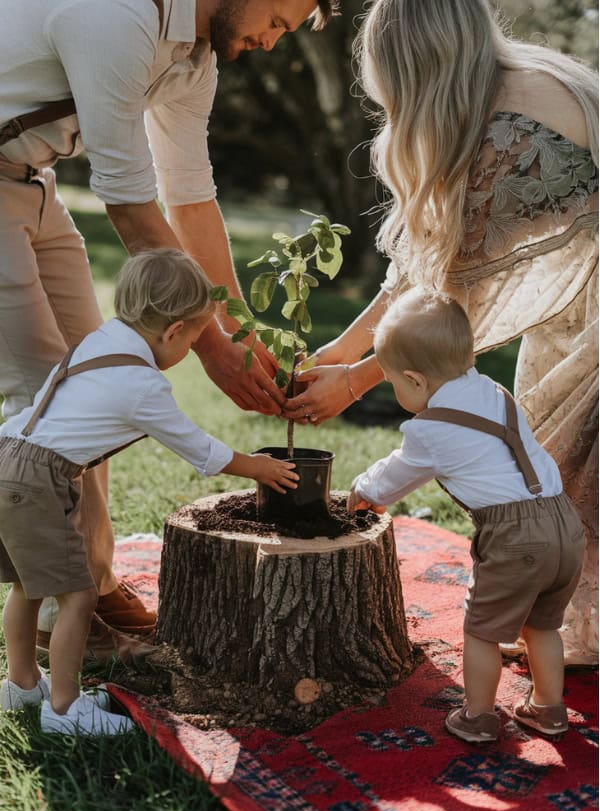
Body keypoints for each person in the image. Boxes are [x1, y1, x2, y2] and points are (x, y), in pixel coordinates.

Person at [0, 0, 339, 657]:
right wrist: (211, 346)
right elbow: (128, 202)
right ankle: (54, 620)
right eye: (278, 20)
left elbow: (189, 196)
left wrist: (240, 332)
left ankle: (91, 585)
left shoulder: (194, 56)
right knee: (44, 387)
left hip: (30, 184)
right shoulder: (118, 15)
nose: (272, 43)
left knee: (91, 377)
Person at [287, 0, 598, 666]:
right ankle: (560, 634)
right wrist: (346, 347)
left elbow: (449, 310)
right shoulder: (509, 83)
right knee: (548, 469)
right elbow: (424, 266)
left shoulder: (504, 134)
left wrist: (356, 380)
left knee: (573, 472)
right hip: (574, 310)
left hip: (591, 316)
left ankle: (566, 632)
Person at [0, 248, 298, 735]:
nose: (189, 350)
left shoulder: (99, 340)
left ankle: (22, 684)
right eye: (196, 338)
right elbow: (199, 448)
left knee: (26, 588)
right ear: (175, 331)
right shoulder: (141, 384)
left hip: (8, 457)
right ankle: (63, 709)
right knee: (77, 596)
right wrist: (260, 468)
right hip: (39, 482)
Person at [347, 290, 585, 743]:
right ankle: (549, 710)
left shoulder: (430, 429)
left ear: (415, 381)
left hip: (515, 536)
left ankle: (478, 716)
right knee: (543, 624)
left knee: (481, 631)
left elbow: (395, 475)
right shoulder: (494, 392)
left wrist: (363, 490)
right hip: (563, 523)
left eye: (393, 383)